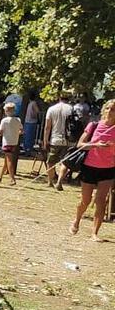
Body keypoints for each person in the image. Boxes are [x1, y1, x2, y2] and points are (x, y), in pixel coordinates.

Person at [70, 100, 115, 240]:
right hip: (89, 166)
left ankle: (94, 233)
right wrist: (96, 145)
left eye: (113, 109)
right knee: (85, 200)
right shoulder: (94, 125)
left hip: (108, 168)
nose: (109, 111)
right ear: (103, 110)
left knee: (101, 201)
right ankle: (77, 220)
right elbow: (80, 145)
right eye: (108, 108)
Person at [43, 95, 75, 190]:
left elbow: (47, 126)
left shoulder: (51, 109)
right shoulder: (71, 109)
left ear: (58, 99)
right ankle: (59, 181)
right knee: (65, 163)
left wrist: (45, 139)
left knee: (51, 162)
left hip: (55, 139)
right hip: (68, 140)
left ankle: (50, 181)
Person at [0, 102, 23, 184]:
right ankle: (0, 176)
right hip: (14, 142)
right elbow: (21, 131)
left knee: (9, 161)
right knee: (7, 160)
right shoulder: (18, 120)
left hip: (7, 142)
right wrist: (15, 134)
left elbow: (1, 131)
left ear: (6, 111)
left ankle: (12, 178)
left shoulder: (4, 120)